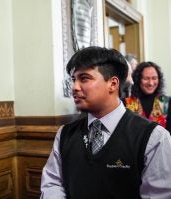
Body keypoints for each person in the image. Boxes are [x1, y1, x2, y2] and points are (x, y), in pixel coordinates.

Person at [40, 46, 171, 198]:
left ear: (113, 84)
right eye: (73, 79)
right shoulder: (64, 134)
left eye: (84, 78)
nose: (74, 87)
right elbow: (52, 183)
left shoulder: (155, 138)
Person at [125, 61, 171, 132]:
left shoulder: (168, 103)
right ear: (138, 79)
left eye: (154, 78)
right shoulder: (125, 103)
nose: (151, 83)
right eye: (146, 79)